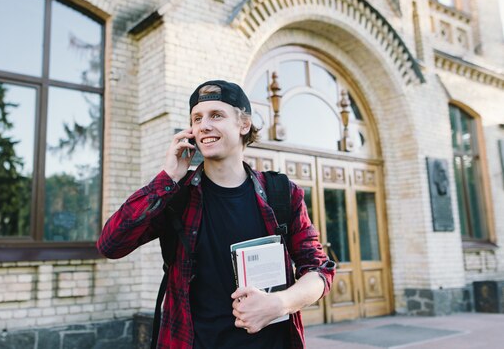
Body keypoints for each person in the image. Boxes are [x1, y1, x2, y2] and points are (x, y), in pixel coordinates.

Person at [97, 80, 335, 348]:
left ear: (244, 124)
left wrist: (278, 304)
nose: (204, 125)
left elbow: (319, 270)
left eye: (216, 115)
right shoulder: (177, 195)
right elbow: (110, 245)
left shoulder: (281, 193)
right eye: (196, 118)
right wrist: (167, 178)